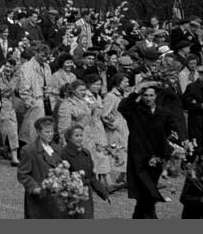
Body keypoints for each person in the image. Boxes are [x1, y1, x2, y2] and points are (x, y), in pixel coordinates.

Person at [119, 80, 186, 218]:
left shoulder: (164, 113)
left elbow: (173, 130)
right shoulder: (135, 111)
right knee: (145, 188)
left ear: (156, 96)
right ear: (141, 96)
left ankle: (140, 216)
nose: (148, 98)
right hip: (139, 156)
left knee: (149, 189)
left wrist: (174, 145)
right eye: (145, 95)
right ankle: (151, 217)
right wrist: (137, 90)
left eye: (151, 95)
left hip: (157, 156)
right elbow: (123, 107)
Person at [17, 116, 64, 218]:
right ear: (38, 132)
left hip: (55, 197)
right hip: (39, 198)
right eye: (47, 132)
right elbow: (23, 174)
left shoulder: (57, 148)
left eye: (52, 131)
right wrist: (34, 188)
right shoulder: (29, 150)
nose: (50, 134)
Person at [60, 124, 110, 218]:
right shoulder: (64, 154)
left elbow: (91, 177)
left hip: (86, 196)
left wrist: (104, 193)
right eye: (76, 136)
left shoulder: (86, 153)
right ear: (69, 137)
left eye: (81, 135)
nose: (79, 138)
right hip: (71, 196)